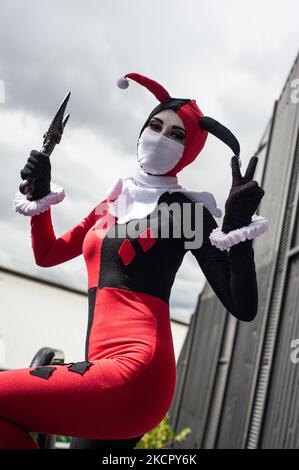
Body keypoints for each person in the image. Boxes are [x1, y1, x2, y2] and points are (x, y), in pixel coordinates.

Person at [4, 72, 268, 449]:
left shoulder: (188, 211)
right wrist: (42, 195)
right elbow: (47, 254)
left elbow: (242, 305)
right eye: (155, 125)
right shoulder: (112, 201)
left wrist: (239, 231)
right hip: (97, 369)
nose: (161, 137)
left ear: (190, 150)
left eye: (177, 135)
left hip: (138, 370)